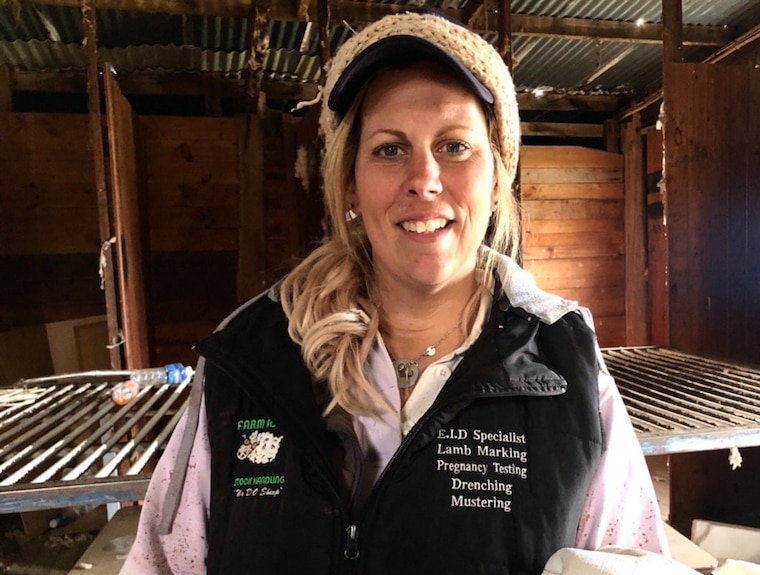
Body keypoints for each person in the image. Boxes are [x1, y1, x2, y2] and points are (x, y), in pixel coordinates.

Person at [121, 9, 670, 574]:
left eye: (455, 146)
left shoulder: (566, 366)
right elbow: (162, 563)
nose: (424, 177)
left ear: (499, 180)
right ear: (350, 185)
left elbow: (627, 561)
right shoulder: (249, 356)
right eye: (389, 149)